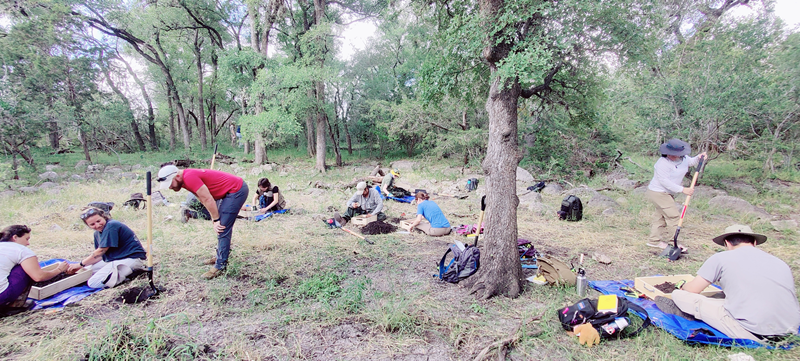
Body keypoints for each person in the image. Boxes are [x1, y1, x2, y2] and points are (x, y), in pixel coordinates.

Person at [670, 225, 800, 343]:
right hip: (790, 330)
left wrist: (682, 287)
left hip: (753, 332)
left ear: (727, 243)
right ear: (754, 243)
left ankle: (688, 312)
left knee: (679, 295)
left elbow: (692, 290)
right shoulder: (779, 262)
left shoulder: (721, 258)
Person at [158, 163, 249, 279]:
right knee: (219, 223)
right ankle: (220, 255)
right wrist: (213, 217)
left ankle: (220, 266)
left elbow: (207, 198)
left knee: (222, 227)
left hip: (236, 190)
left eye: (170, 184)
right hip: (226, 193)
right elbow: (201, 198)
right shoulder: (184, 180)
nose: (170, 187)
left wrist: (216, 219)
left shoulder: (189, 177)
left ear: (177, 177)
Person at [645, 138, 707, 252]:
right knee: (674, 216)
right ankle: (674, 243)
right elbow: (665, 182)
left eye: (675, 154)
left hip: (668, 193)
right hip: (658, 192)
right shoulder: (662, 163)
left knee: (660, 217)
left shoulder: (683, 159)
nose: (672, 156)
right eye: (670, 154)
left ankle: (653, 241)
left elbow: (692, 162)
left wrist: (699, 157)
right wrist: (683, 190)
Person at [66, 208, 147, 288]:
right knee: (89, 270)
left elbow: (101, 251)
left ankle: (130, 275)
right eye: (92, 224)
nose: (97, 225)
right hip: (118, 258)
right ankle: (122, 274)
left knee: (93, 283)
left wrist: (80, 264)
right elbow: (100, 256)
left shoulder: (111, 225)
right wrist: (82, 266)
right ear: (88, 225)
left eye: (98, 221)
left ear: (103, 217)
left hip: (132, 258)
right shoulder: (97, 233)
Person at [0, 225, 69, 310]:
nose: (28, 243)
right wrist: (59, 269)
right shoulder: (21, 250)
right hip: (2, 296)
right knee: (26, 268)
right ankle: (13, 305)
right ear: (15, 237)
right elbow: (38, 277)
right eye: (26, 239)